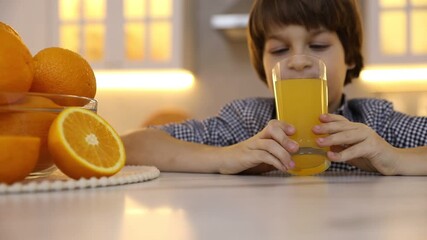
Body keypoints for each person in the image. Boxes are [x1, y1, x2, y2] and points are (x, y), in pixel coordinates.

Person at [121, 0, 427, 176]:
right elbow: (131, 145)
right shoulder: (246, 123)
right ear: (264, 66)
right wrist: (225, 157)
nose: (297, 61)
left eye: (317, 45)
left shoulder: (374, 122)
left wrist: (396, 159)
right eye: (280, 51)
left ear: (349, 56)